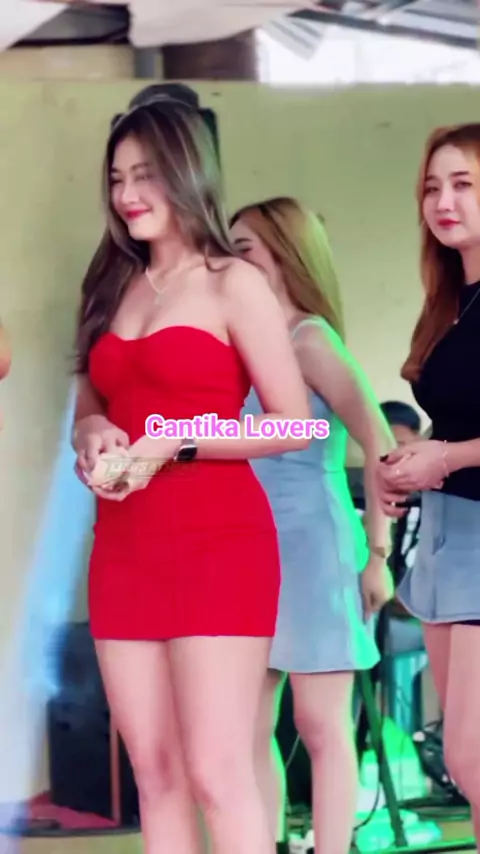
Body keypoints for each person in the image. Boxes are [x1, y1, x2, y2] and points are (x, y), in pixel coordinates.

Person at [71, 94, 312, 854]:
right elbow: (91, 397)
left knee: (217, 771)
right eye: (117, 177)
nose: (127, 193)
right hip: (123, 544)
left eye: (145, 174)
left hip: (219, 543)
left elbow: (296, 423)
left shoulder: (233, 282)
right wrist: (91, 430)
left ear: (187, 172)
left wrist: (177, 440)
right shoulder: (111, 282)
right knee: (155, 774)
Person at [230, 197, 395, 854]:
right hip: (250, 553)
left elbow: (381, 442)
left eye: (243, 248)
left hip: (315, 548)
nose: (229, 260)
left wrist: (378, 553)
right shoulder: (247, 345)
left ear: (282, 251)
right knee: (247, 728)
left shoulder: (311, 340)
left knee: (320, 725)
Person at [377, 122, 480, 843]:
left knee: (473, 758)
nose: (443, 202)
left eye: (463, 184)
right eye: (432, 187)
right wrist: (408, 469)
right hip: (447, 536)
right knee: (466, 765)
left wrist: (443, 459)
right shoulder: (451, 299)